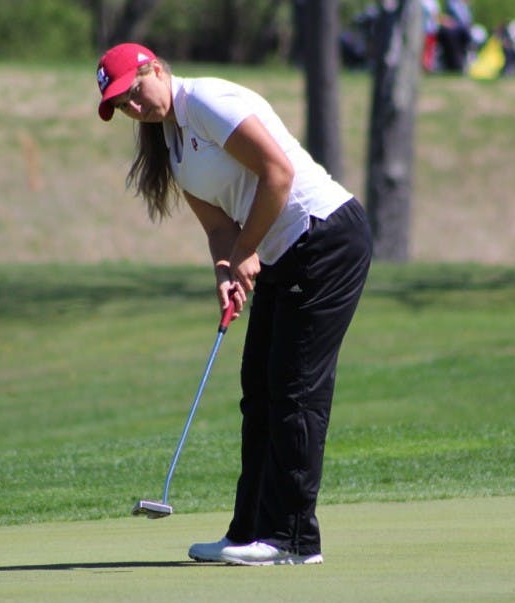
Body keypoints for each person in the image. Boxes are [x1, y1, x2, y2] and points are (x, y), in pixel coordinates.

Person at [95, 43, 373, 566]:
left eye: (135, 92)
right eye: (123, 106)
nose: (135, 107)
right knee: (259, 393)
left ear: (155, 69)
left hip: (325, 237)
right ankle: (249, 531)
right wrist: (227, 270)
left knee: (294, 391)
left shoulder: (206, 100)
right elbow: (220, 228)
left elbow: (278, 173)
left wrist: (247, 251)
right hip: (283, 250)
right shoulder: (172, 148)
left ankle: (293, 540)